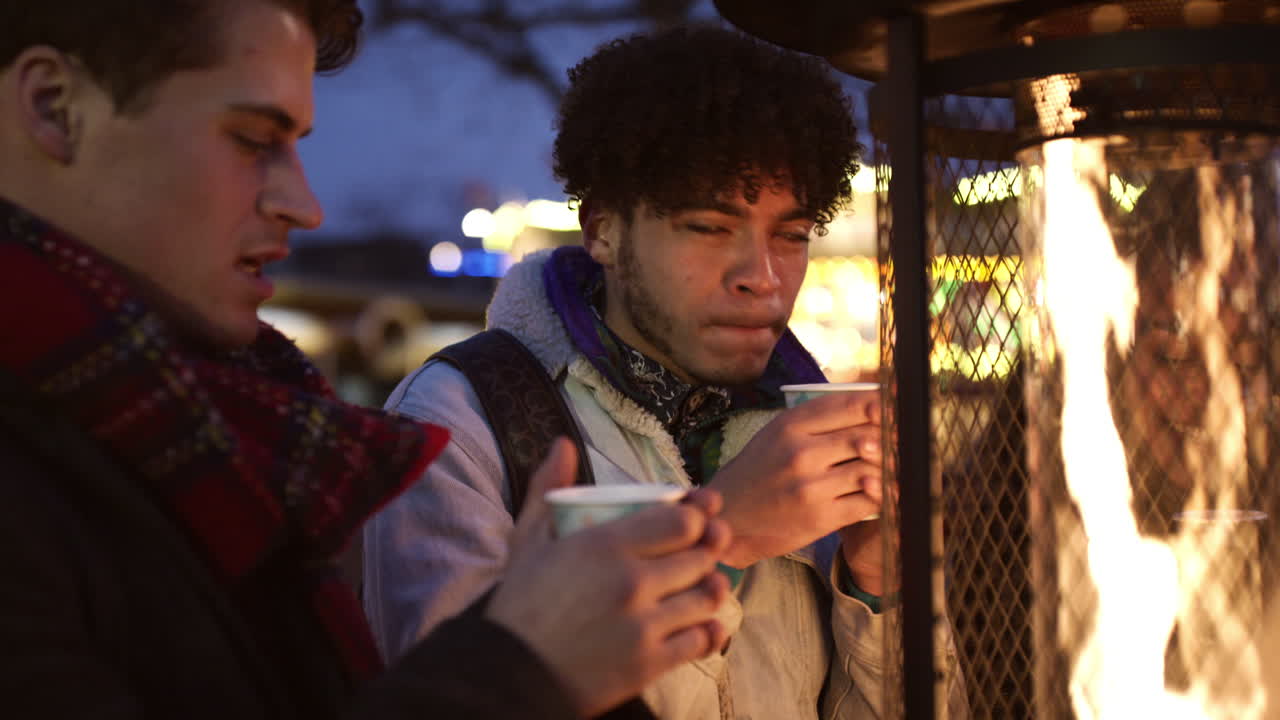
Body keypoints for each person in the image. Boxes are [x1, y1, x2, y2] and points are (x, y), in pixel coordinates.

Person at [0, 2, 734, 718]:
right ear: (54, 105)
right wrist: (519, 667)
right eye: (254, 140)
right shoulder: (124, 467)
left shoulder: (211, 445)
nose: (304, 204)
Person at [364, 26, 966, 719]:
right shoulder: (464, 421)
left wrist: (880, 591)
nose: (763, 279)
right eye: (709, 228)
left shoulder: (809, 429)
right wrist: (725, 531)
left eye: (792, 235)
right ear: (602, 231)